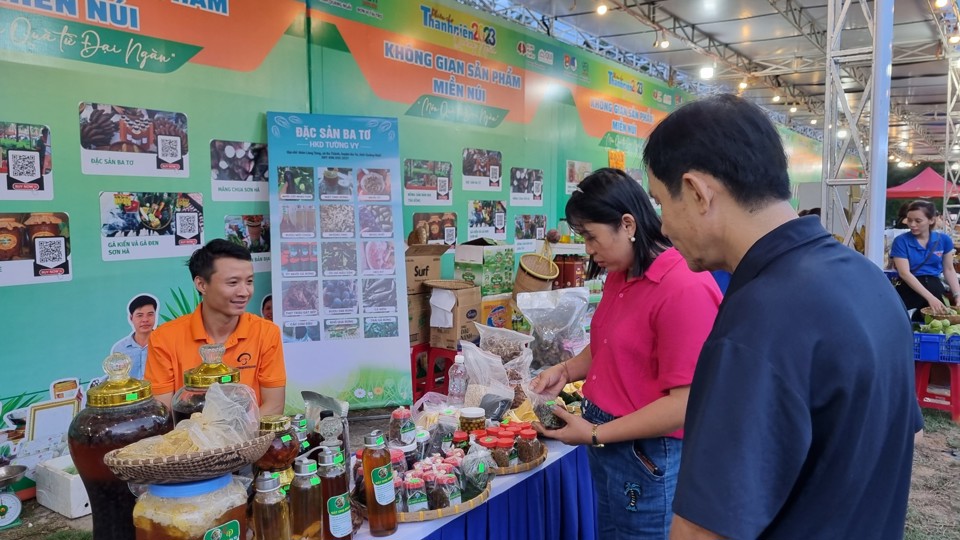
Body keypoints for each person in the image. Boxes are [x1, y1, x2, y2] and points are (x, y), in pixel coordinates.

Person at [640, 94, 921, 540]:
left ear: (696, 192)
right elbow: (908, 437)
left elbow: (703, 531)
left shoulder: (758, 322)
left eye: (660, 203)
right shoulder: (868, 281)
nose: (663, 227)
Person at [530, 168, 722, 539]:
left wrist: (597, 433)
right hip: (606, 440)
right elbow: (610, 344)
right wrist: (566, 370)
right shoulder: (622, 273)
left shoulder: (683, 288)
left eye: (591, 237)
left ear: (628, 224)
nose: (588, 249)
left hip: (645, 453)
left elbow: (684, 403)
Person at [146, 239, 286, 415]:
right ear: (202, 285)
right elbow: (164, 413)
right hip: (189, 439)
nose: (244, 292)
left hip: (249, 440)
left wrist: (233, 438)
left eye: (249, 281)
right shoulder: (164, 338)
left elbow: (274, 406)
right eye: (233, 283)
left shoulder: (266, 332)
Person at [891, 200, 960, 321]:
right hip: (909, 289)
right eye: (909, 220)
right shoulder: (901, 241)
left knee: (936, 327)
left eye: (918, 221)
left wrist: (957, 295)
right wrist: (930, 298)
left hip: (935, 288)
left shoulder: (944, 240)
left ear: (931, 220)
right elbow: (904, 273)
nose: (912, 224)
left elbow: (949, 270)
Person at [109, 294, 158, 380]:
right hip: (132, 394)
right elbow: (118, 381)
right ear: (131, 318)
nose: (145, 319)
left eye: (150, 314)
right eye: (140, 315)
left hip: (160, 393)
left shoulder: (164, 344)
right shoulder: (119, 349)